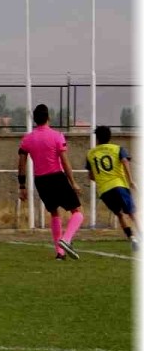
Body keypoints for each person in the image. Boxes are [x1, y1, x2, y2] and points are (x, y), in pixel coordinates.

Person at [18, 104, 83, 260]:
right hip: (56, 177)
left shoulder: (27, 139)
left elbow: (21, 163)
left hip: (40, 180)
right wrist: (73, 182)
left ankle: (60, 253)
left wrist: (22, 186)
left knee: (54, 213)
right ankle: (66, 240)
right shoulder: (57, 136)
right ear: (48, 117)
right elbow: (65, 161)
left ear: (35, 120)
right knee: (78, 212)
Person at [86, 125, 138, 251]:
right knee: (132, 213)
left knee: (119, 214)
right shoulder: (118, 149)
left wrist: (102, 178)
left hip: (104, 190)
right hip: (119, 185)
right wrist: (130, 181)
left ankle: (132, 237)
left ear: (97, 138)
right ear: (110, 137)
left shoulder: (90, 153)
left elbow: (91, 176)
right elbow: (125, 161)